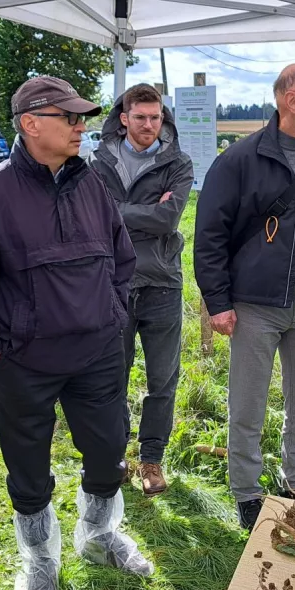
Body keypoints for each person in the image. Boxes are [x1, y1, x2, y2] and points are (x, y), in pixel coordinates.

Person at [0, 75, 152, 590]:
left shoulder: (91, 185)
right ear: (31, 124)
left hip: (99, 353)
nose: (82, 127)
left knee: (108, 449)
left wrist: (111, 316)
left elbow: (121, 259)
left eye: (83, 118)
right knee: (27, 466)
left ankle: (100, 534)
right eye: (70, 118)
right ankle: (38, 561)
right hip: (25, 361)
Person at [194, 64, 295, 530]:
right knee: (247, 405)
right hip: (254, 306)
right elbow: (209, 235)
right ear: (291, 100)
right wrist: (218, 301)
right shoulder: (241, 159)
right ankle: (247, 492)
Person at [90, 83, 194, 496]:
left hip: (162, 283)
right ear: (124, 119)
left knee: (162, 379)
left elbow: (168, 219)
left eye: (155, 117)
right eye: (140, 117)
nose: (149, 125)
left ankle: (151, 459)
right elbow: (95, 218)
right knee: (111, 375)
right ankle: (115, 455)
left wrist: (121, 213)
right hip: (112, 282)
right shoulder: (99, 163)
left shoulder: (178, 163)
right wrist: (143, 213)